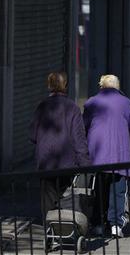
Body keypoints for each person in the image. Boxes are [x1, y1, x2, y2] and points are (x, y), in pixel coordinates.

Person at [84, 75, 130, 238]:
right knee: (118, 189)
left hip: (98, 154)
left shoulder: (91, 102)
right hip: (119, 154)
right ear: (117, 87)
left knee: (99, 189)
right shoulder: (126, 103)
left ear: (101, 87)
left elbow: (84, 125)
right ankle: (116, 224)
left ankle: (99, 224)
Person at [30, 72, 91, 219]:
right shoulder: (73, 108)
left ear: (49, 86)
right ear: (66, 86)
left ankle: (50, 231)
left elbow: (32, 135)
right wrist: (86, 164)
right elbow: (79, 139)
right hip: (67, 164)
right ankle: (64, 230)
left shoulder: (42, 106)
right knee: (67, 198)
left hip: (45, 163)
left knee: (48, 200)